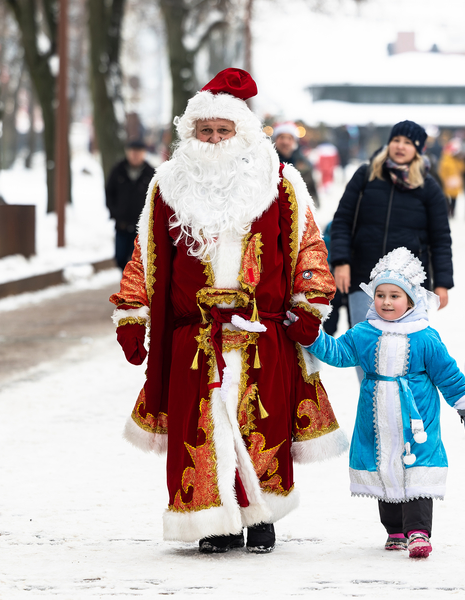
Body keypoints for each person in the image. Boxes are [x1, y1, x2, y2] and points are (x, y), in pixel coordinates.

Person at [109, 68, 347, 555]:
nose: (214, 140)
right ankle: (210, 522)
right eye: (205, 131)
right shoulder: (167, 185)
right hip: (191, 336)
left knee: (261, 424)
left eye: (223, 131)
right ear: (190, 133)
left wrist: (310, 305)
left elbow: (309, 249)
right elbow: (146, 257)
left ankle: (261, 517)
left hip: (262, 332)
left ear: (241, 131)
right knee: (199, 428)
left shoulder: (281, 181)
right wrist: (132, 314)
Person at [301, 247, 465, 558]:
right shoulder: (364, 332)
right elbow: (337, 353)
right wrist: (309, 334)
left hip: (417, 420)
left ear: (411, 300)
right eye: (381, 295)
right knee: (383, 466)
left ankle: (418, 532)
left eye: (395, 296)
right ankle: (395, 530)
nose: (386, 302)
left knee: (417, 472)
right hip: (376, 416)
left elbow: (449, 376)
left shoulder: (425, 337)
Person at [330, 119, 453, 329]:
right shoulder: (366, 175)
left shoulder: (429, 186)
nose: (400, 146)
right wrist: (341, 262)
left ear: (418, 149)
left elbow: (440, 239)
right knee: (364, 348)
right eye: (396, 140)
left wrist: (442, 283)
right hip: (363, 277)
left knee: (403, 350)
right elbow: (342, 220)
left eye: (408, 142)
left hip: (409, 284)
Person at [105, 140, 155, 270]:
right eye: (132, 152)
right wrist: (114, 212)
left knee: (139, 260)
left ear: (144, 153)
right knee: (120, 257)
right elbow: (109, 192)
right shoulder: (118, 170)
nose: (135, 155)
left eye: (138, 152)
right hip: (122, 224)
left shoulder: (151, 173)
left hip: (142, 227)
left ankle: (136, 286)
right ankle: (126, 280)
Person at [273, 121, 320, 207]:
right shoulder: (268, 162)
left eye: (289, 138)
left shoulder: (305, 165)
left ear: (294, 141)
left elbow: (311, 192)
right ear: (275, 140)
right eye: (282, 137)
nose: (285, 142)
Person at [321, 220, 349, 336]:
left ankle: (329, 335)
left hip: (334, 271)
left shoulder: (332, 225)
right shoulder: (335, 226)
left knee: (332, 307)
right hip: (337, 272)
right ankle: (330, 334)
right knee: (333, 307)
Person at [438, 140, 465, 218]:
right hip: (447, 182)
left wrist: (461, 160)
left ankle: (452, 212)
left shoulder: (458, 160)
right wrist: (443, 181)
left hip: (455, 181)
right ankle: (448, 211)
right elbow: (442, 171)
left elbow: (463, 169)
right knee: (446, 198)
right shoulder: (445, 159)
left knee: (454, 199)